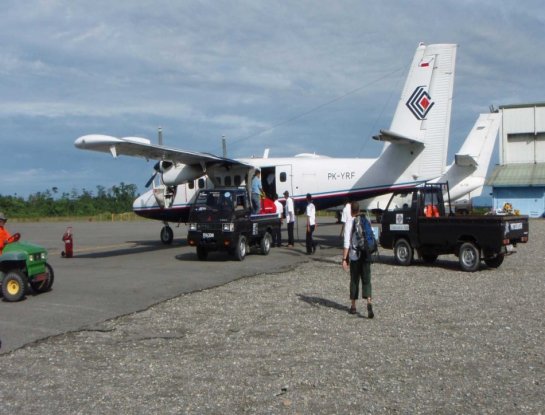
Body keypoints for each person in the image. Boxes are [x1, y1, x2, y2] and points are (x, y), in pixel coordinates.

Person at [341, 202, 374, 318]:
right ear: (359, 209)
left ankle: (353, 306)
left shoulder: (350, 223)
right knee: (367, 280)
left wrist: (344, 259)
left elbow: (346, 243)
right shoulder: (365, 220)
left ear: (351, 211)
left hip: (355, 256)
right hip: (366, 255)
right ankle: (369, 302)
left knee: (354, 281)